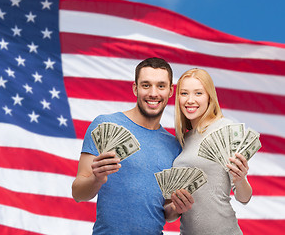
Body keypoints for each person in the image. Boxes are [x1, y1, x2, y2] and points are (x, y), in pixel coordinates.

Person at [71, 57, 194, 234]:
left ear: (170, 91)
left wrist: (177, 208)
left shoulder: (174, 146)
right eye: (146, 85)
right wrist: (97, 178)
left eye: (161, 86)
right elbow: (78, 194)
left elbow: (167, 211)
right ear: (135, 89)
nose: (153, 93)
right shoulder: (105, 125)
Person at [167, 68, 252, 234]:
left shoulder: (225, 129)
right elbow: (170, 215)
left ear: (209, 97)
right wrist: (176, 206)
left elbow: (244, 198)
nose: (190, 100)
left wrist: (241, 179)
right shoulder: (181, 141)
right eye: (184, 93)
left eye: (198, 93)